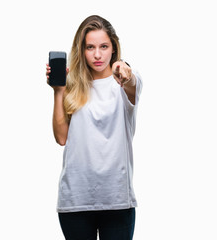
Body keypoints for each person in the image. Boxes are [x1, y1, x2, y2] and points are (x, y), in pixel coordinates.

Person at [46, 15, 142, 240]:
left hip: (117, 201)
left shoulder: (124, 83)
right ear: (81, 50)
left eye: (104, 46)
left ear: (113, 48)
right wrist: (58, 90)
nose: (97, 55)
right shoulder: (73, 86)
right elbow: (61, 138)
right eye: (90, 47)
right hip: (75, 201)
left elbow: (131, 81)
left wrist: (125, 71)